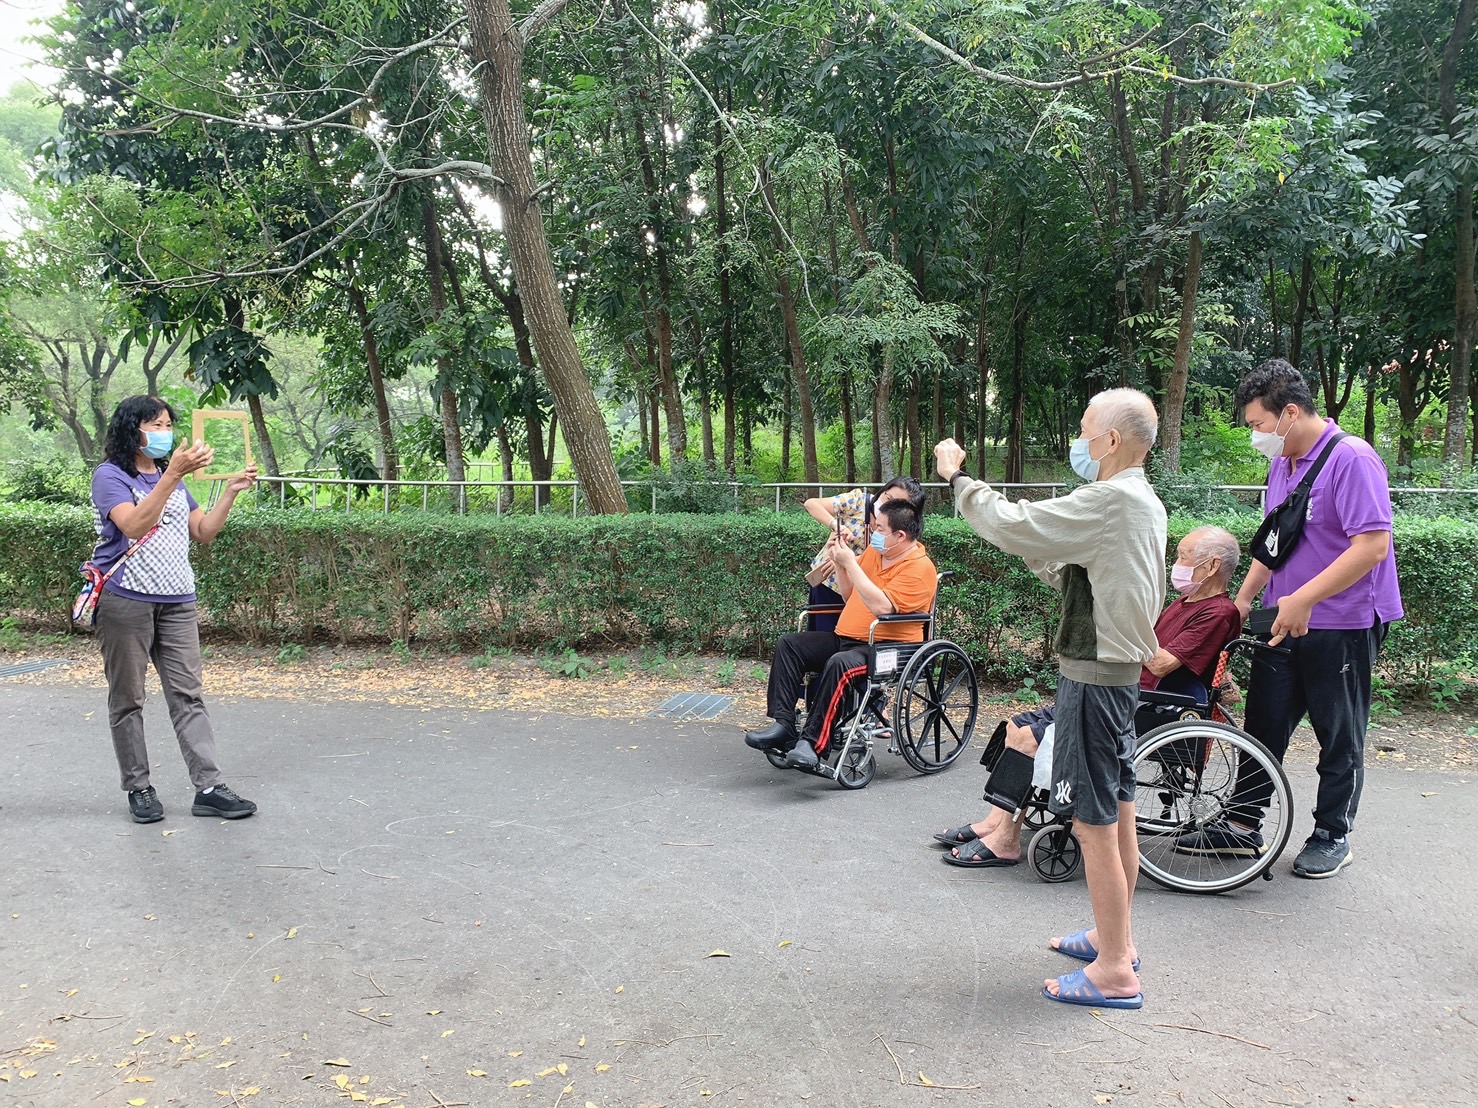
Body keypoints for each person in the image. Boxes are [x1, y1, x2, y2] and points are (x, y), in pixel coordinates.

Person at [935, 387, 1166, 1010]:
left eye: (1086, 430)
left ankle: (1116, 972)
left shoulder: (1112, 499)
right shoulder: (1140, 501)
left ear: (1112, 440)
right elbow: (1069, 564)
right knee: (1116, 813)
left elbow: (1017, 525)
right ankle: (1114, 939)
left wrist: (959, 479)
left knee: (1092, 824)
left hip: (1094, 681)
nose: (1080, 442)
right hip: (1113, 678)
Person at [1183, 359, 1402, 878]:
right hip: (1283, 619)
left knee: (1338, 731)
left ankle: (1332, 833)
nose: (1255, 435)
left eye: (1258, 425)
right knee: (1264, 721)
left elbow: (1371, 546)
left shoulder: (1353, 459)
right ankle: (1242, 823)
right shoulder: (1282, 462)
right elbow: (1274, 543)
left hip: (1343, 623)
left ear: (1291, 413)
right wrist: (1240, 601)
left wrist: (1304, 598)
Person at [936, 526, 1243, 868]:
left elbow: (1160, 664)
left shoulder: (1218, 612)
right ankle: (996, 822)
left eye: (1183, 556)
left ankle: (1007, 840)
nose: (1176, 563)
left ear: (1213, 566)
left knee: (1027, 737)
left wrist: (1120, 625)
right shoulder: (1186, 603)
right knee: (1015, 726)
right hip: (1125, 691)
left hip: (1146, 703)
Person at [90, 396, 260, 824]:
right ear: (133, 429)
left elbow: (203, 531)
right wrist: (172, 476)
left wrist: (231, 491)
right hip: (127, 599)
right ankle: (139, 788)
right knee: (128, 698)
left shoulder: (173, 479)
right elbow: (132, 525)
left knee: (188, 695)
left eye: (168, 423)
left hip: (178, 600)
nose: (164, 431)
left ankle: (208, 787)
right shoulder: (109, 476)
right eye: (156, 424)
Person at [745, 499, 937, 769]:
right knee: (790, 644)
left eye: (879, 529)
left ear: (900, 535)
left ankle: (813, 743)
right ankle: (784, 723)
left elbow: (883, 607)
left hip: (887, 648)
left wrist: (852, 565)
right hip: (849, 639)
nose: (874, 534)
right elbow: (850, 595)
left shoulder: (919, 568)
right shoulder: (876, 553)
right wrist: (841, 565)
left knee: (840, 663)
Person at [801, 477, 926, 632]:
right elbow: (811, 504)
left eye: (897, 504)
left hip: (866, 591)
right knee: (822, 634)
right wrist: (836, 526)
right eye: (888, 497)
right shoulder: (858, 501)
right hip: (831, 581)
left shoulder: (903, 533)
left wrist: (848, 561)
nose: (888, 505)